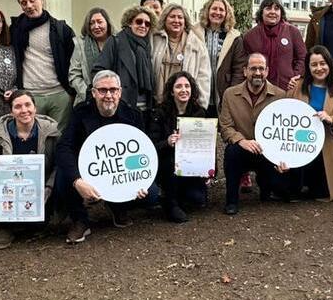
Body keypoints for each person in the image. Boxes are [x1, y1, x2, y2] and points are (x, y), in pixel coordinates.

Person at [56, 70, 158, 244]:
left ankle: (118, 207)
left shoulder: (133, 115)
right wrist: (77, 181)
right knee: (63, 178)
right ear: (94, 93)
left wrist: (142, 181)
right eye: (103, 90)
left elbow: (144, 151)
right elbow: (63, 147)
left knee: (152, 194)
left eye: (113, 90)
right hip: (86, 171)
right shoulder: (80, 113)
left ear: (119, 92)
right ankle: (80, 220)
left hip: (119, 172)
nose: (108, 95)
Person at [0, 90, 61, 248]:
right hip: (9, 191)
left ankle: (31, 223)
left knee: (37, 226)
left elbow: (59, 164)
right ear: (11, 111)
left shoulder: (52, 131)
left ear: (35, 108)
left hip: (40, 190)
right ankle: (5, 229)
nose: (24, 110)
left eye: (28, 105)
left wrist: (49, 187)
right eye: (17, 106)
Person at [218, 53, 291, 215]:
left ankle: (266, 188)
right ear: (245, 71)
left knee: (283, 189)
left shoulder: (280, 95)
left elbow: (285, 130)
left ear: (267, 71)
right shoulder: (230, 94)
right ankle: (231, 200)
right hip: (242, 150)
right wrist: (241, 140)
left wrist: (284, 156)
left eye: (261, 69)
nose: (257, 72)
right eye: (253, 69)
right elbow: (225, 127)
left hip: (268, 152)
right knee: (231, 151)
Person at [287, 46, 333, 200]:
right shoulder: (297, 86)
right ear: (308, 67)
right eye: (314, 65)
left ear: (329, 65)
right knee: (290, 192)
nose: (319, 68)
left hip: (326, 146)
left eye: (323, 63)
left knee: (322, 193)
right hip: (298, 145)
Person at [9, 0, 78, 130]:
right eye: (24, 2)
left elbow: (75, 61)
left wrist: (70, 92)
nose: (29, 5)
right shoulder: (15, 29)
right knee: (34, 139)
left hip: (59, 95)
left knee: (59, 140)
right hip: (31, 96)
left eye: (32, 0)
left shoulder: (61, 29)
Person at [148, 72, 209, 223]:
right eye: (178, 86)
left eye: (187, 86)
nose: (184, 90)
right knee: (171, 159)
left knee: (199, 199)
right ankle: (171, 204)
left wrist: (209, 170)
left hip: (191, 166)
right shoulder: (159, 113)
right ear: (171, 91)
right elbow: (151, 145)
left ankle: (176, 195)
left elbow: (207, 144)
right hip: (166, 165)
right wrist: (167, 142)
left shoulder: (199, 112)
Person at [226, 0, 305, 91]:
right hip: (258, 90)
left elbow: (302, 58)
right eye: (268, 8)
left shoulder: (292, 31)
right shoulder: (250, 36)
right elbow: (243, 63)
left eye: (276, 9)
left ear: (281, 12)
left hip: (287, 88)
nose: (273, 12)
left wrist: (295, 76)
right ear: (261, 12)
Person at [93, 6, 157, 117]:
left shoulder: (146, 45)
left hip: (145, 107)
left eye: (147, 24)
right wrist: (111, 94)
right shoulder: (115, 42)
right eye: (139, 22)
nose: (143, 26)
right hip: (122, 106)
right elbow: (99, 71)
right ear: (129, 23)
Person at [152, 3, 211, 109]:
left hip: (186, 106)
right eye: (172, 17)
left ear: (185, 22)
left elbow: (203, 77)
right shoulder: (155, 40)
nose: (176, 21)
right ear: (165, 19)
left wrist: (201, 105)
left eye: (180, 17)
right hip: (158, 103)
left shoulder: (196, 44)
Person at [194, 0, 242, 114]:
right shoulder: (195, 32)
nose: (217, 12)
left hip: (223, 92)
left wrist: (231, 94)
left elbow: (239, 69)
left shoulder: (234, 37)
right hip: (198, 90)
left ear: (227, 13)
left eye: (221, 10)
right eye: (214, 8)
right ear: (207, 11)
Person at [69, 7, 114, 105]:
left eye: (99, 22)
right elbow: (74, 75)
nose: (96, 26)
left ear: (107, 23)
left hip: (114, 99)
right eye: (91, 23)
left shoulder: (118, 43)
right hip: (87, 100)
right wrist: (89, 94)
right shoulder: (80, 44)